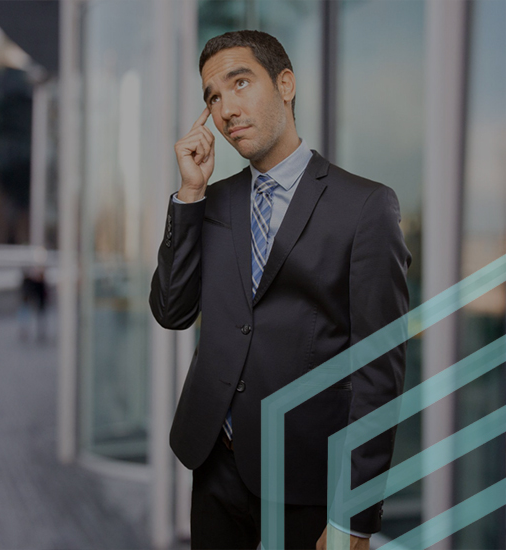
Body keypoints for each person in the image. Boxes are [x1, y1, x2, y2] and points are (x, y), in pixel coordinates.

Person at [149, 30, 412, 550]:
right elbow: (173, 310)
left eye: (239, 82)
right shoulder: (212, 200)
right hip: (214, 464)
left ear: (285, 84)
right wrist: (189, 193)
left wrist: (353, 516)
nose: (225, 109)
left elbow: (378, 370)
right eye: (213, 97)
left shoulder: (366, 207)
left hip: (305, 479)